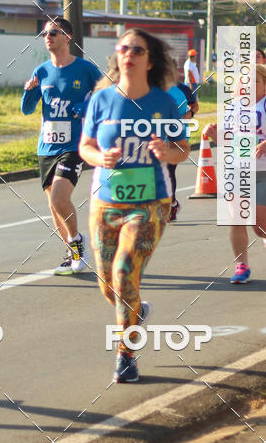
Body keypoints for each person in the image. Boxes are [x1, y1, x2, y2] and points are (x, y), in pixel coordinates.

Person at [79, 30, 189, 383]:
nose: (128, 54)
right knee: (109, 287)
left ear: (149, 60)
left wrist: (166, 151)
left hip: (151, 200)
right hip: (105, 202)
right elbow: (85, 147)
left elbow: (183, 148)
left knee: (125, 272)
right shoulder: (101, 100)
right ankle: (136, 311)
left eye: (136, 50)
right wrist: (102, 157)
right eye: (123, 48)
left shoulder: (165, 101)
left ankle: (126, 356)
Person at [21, 17, 101, 275]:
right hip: (46, 147)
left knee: (59, 197)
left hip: (73, 145)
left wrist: (83, 107)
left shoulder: (85, 69)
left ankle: (77, 242)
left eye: (53, 32)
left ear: (67, 37)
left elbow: (105, 95)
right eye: (44, 33)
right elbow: (26, 109)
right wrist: (29, 90)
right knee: (53, 206)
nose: (48, 36)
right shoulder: (41, 71)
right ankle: (71, 251)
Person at [204, 64, 266, 285]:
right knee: (236, 220)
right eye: (244, 81)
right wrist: (214, 134)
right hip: (237, 170)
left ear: (264, 84)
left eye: (254, 81)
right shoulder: (232, 108)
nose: (248, 85)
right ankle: (241, 265)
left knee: (260, 224)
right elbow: (226, 141)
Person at [167, 61, 199, 221]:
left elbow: (195, 105)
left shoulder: (182, 88)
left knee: (169, 169)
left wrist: (190, 114)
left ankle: (172, 205)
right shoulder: (151, 88)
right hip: (156, 134)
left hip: (178, 134)